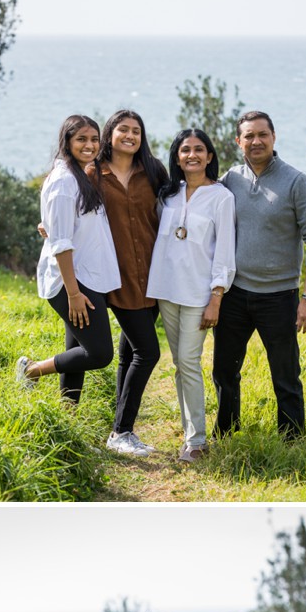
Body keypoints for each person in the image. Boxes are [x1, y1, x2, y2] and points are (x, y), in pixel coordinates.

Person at [213, 111, 306, 440]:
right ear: (239, 142)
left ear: (274, 138)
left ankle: (292, 441)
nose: (256, 141)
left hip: (280, 297)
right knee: (224, 371)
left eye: (262, 134)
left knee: (285, 375)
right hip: (234, 294)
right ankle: (226, 432)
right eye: (249, 136)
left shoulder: (296, 181)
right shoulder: (230, 179)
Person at [16, 115, 120, 404]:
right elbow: (61, 244)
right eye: (81, 139)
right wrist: (73, 293)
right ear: (67, 142)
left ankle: (68, 414)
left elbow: (66, 226)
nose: (90, 145)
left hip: (84, 276)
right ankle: (33, 370)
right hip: (72, 281)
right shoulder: (64, 182)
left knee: (78, 348)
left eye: (94, 139)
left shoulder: (79, 175)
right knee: (99, 353)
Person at [146, 129, 236, 462]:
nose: (192, 155)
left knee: (188, 361)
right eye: (185, 150)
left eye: (199, 150)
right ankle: (190, 434)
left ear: (210, 157)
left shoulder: (222, 197)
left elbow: (225, 252)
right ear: (178, 157)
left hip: (199, 293)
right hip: (166, 290)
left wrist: (216, 296)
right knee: (180, 364)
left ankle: (197, 442)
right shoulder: (168, 193)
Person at [95, 110, 169, 458]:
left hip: (153, 274)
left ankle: (120, 426)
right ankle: (121, 431)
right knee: (148, 351)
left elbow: (178, 207)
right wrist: (47, 225)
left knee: (128, 352)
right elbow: (63, 201)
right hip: (115, 276)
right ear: (110, 133)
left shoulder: (153, 170)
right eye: (123, 129)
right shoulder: (92, 173)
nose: (130, 135)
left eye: (136, 131)